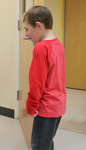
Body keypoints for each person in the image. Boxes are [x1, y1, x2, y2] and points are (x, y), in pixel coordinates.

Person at [23, 6, 66, 150]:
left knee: (39, 145)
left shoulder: (41, 48)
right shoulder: (58, 44)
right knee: (47, 141)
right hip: (57, 105)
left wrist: (31, 105)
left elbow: (37, 82)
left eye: (27, 29)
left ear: (38, 25)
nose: (26, 34)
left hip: (45, 108)